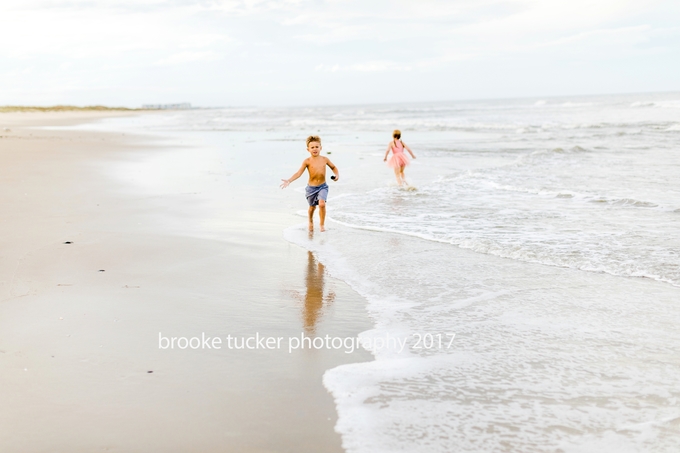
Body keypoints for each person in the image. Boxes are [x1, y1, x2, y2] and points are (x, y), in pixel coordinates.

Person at [281, 135, 339, 232]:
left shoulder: (325, 159)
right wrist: (289, 180)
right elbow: (299, 173)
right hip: (311, 188)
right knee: (312, 207)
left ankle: (321, 225)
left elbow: (333, 167)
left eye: (317, 147)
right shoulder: (307, 161)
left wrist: (336, 175)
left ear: (321, 148)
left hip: (322, 186)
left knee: (322, 204)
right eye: (312, 147)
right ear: (308, 149)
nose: (315, 149)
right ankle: (310, 221)